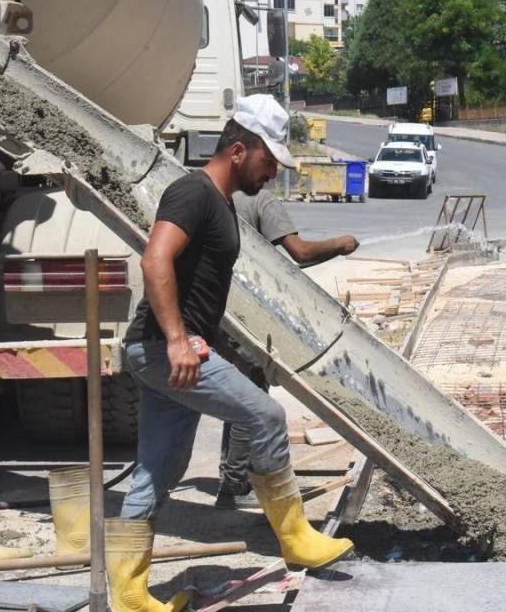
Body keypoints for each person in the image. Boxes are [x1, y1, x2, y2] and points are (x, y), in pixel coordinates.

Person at [112, 94, 353, 611]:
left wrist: (218, 347)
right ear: (239, 149)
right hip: (162, 349)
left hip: (171, 350)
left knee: (159, 470)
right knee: (265, 415)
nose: (273, 174)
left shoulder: (220, 204)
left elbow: (196, 289)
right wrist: (178, 340)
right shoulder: (192, 192)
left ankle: (130, 596)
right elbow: (155, 260)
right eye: (270, 162)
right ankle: (295, 538)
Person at [216, 189, 358, 510]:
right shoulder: (259, 200)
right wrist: (341, 244)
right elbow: (301, 252)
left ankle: (234, 474)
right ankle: (234, 485)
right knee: (251, 393)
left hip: (219, 305)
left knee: (240, 393)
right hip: (246, 307)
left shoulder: (214, 191)